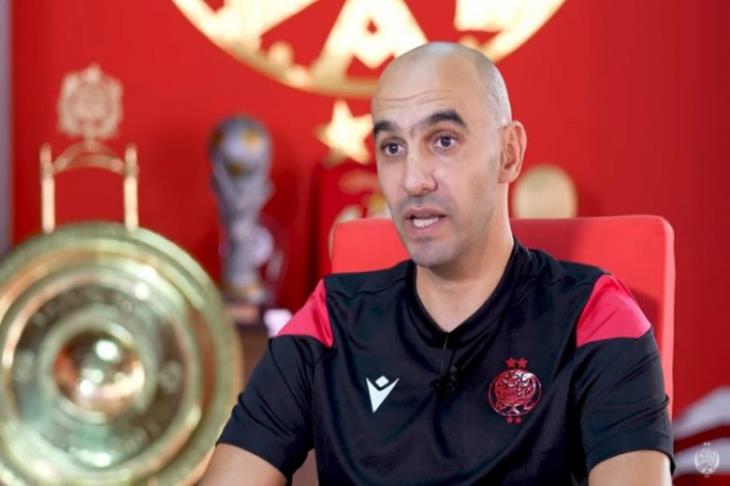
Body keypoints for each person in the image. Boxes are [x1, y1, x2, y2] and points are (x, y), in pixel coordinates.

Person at [201, 42, 674, 485]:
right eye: (392, 147)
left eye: (444, 140)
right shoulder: (331, 318)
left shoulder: (594, 315)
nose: (413, 180)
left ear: (508, 154)